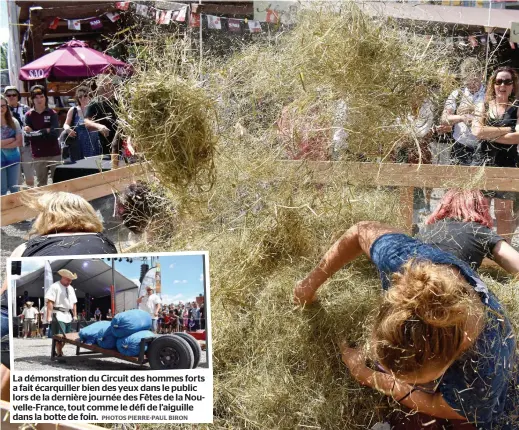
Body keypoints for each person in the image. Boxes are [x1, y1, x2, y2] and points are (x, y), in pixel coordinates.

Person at [294, 221, 516, 429]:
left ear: (455, 355)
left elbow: (443, 406)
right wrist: (308, 286)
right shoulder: (406, 263)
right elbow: (361, 231)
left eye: (413, 380)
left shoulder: (482, 374)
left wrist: (369, 376)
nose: (398, 378)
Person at [417, 189, 519, 274]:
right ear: (480, 208)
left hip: (414, 286)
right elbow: (516, 264)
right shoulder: (478, 231)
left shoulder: (424, 231)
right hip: (452, 288)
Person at [472, 66, 519, 238]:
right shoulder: (482, 105)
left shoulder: (517, 108)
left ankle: (503, 253)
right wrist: (507, 128)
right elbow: (477, 131)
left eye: (507, 81)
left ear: (513, 85)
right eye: (499, 81)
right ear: (493, 84)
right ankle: (480, 249)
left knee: (503, 213)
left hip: (507, 163)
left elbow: (518, 137)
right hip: (482, 162)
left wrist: (489, 133)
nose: (503, 85)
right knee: (480, 211)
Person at [10, 191, 118, 257]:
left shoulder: (24, 248)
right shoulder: (106, 243)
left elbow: (6, 293)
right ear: (89, 214)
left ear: (45, 217)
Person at [441, 58, 485, 165]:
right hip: (460, 147)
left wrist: (477, 117)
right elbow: (444, 118)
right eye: (468, 79)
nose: (472, 83)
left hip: (482, 147)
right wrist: (462, 118)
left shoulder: (489, 94)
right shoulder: (457, 94)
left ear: (481, 75)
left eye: (475, 79)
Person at [23, 85, 61, 187]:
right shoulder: (28, 115)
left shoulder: (52, 113)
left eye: (42, 96)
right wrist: (45, 131)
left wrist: (36, 132)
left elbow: (55, 134)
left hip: (54, 153)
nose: (39, 100)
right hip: (38, 155)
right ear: (32, 99)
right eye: (36, 97)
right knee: (41, 185)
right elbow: (28, 136)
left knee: (58, 183)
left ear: (45, 98)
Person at [4, 86, 34, 187]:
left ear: (18, 96)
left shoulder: (25, 108)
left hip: (26, 144)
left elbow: (33, 124)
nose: (11, 97)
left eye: (14, 95)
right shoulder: (3, 110)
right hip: (11, 147)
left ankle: (31, 196)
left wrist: (30, 128)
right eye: (8, 95)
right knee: (17, 178)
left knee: (29, 175)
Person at [84, 75, 120, 158]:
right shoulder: (95, 103)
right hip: (104, 145)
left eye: (110, 85)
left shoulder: (117, 101)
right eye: (105, 87)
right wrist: (99, 126)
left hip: (121, 144)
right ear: (99, 87)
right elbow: (86, 121)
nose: (108, 89)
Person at [63, 86, 102, 160]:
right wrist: (68, 129)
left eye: (85, 96)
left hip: (93, 144)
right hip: (78, 144)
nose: (83, 98)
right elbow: (65, 124)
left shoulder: (95, 109)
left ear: (89, 96)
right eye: (80, 97)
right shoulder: (73, 110)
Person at [45, 269, 78, 357]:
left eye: (71, 280)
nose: (69, 282)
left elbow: (74, 303)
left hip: (67, 315)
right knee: (59, 336)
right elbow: (50, 302)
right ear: (63, 277)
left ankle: (58, 350)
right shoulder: (55, 286)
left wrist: (74, 315)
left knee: (66, 337)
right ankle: (59, 353)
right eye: (68, 279)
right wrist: (49, 317)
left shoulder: (70, 288)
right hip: (58, 314)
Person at [1, 95, 23, 195]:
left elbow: (19, 142)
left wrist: (2, 144)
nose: (1, 108)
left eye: (3, 106)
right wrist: (10, 139)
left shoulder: (14, 122)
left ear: (7, 106)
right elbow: (15, 140)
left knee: (14, 188)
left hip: (13, 158)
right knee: (2, 189)